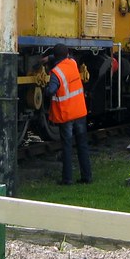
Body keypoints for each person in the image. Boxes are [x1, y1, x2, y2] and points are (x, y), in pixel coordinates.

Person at [45, 43, 92, 185]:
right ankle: (87, 176)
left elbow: (51, 90)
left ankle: (67, 179)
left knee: (67, 146)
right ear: (66, 54)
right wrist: (51, 57)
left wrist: (45, 89)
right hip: (79, 112)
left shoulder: (56, 73)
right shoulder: (72, 63)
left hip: (66, 114)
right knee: (82, 145)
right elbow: (65, 56)